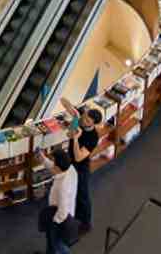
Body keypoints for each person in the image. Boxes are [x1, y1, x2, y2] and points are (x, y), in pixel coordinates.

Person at [59, 98, 100, 234]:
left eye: (88, 121)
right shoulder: (81, 119)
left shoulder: (93, 137)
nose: (84, 121)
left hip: (81, 167)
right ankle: (74, 217)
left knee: (83, 195)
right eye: (85, 117)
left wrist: (76, 138)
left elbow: (78, 156)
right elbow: (63, 100)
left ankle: (86, 224)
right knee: (72, 193)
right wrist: (75, 114)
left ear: (94, 124)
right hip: (71, 163)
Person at [41, 149, 78, 254]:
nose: (51, 163)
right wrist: (43, 159)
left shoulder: (62, 186)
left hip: (60, 219)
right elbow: (54, 167)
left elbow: (62, 212)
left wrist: (53, 222)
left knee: (58, 244)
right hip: (64, 213)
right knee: (53, 243)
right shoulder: (70, 168)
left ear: (57, 167)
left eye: (53, 161)